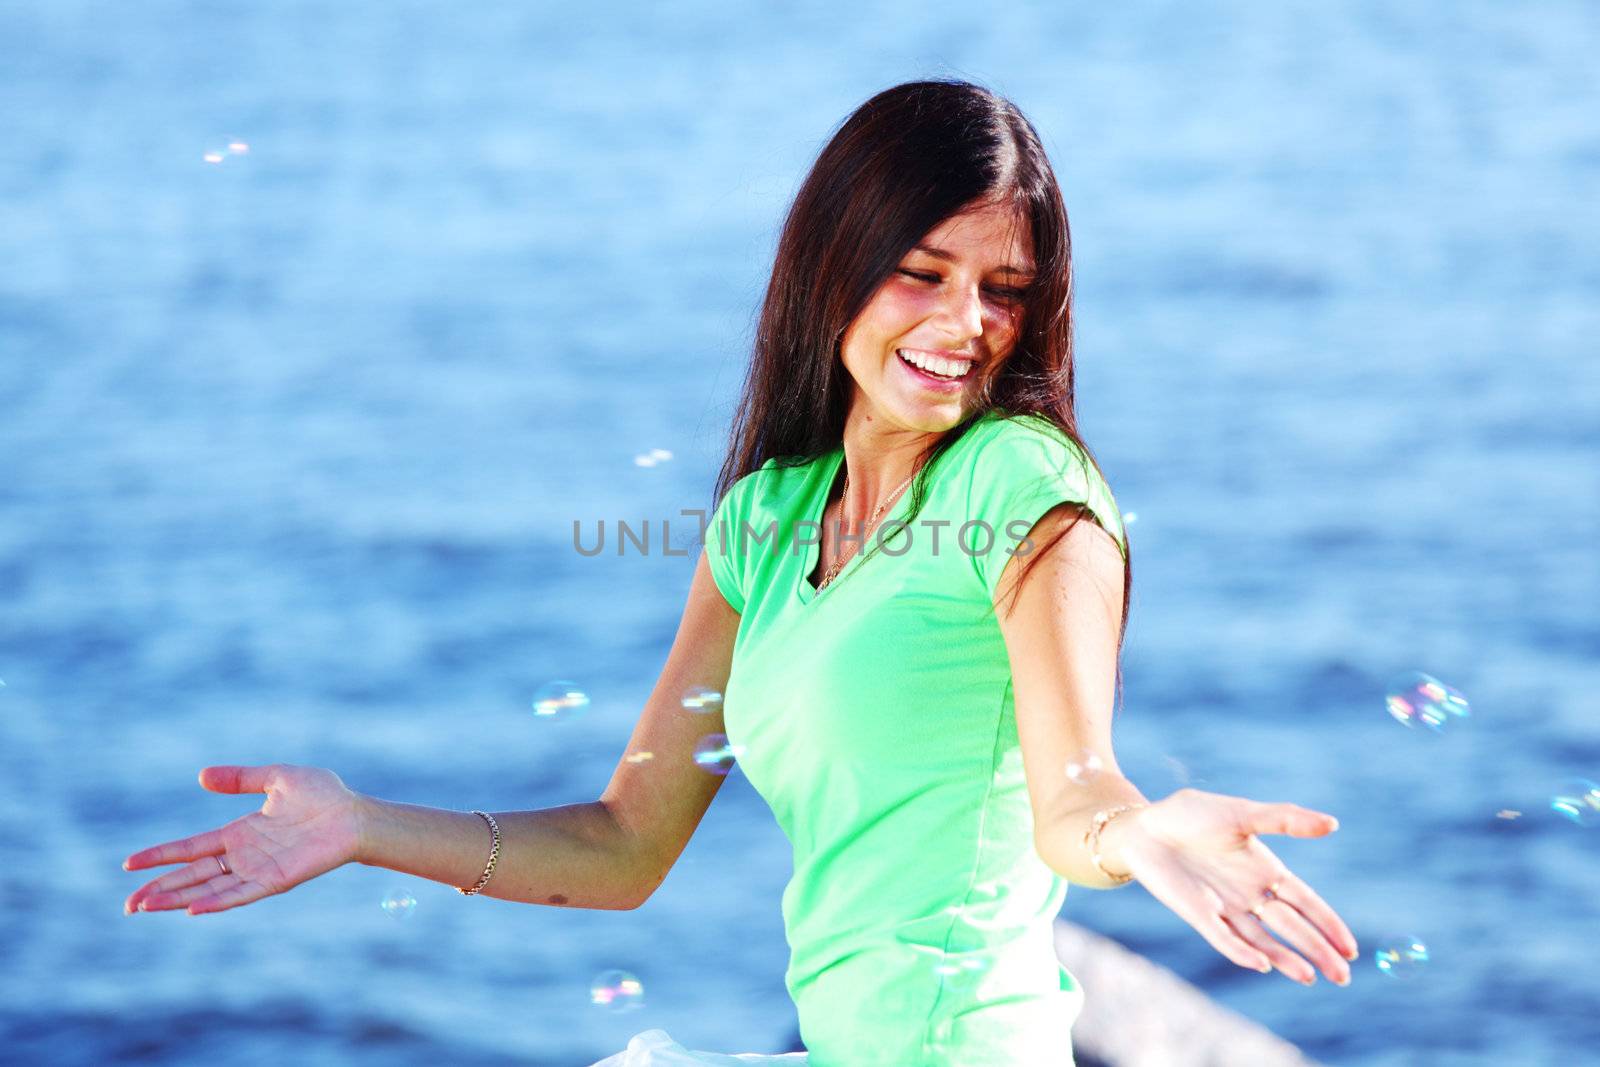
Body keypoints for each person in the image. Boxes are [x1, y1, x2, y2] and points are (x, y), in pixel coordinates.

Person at [121, 78, 1360, 1066]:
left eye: (1003, 290)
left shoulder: (1028, 488)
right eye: (919, 271)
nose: (962, 322)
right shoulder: (763, 521)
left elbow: (1073, 793)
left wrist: (1141, 832)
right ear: (835, 260)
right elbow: (624, 843)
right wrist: (361, 826)